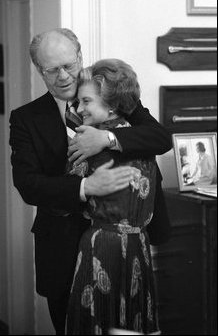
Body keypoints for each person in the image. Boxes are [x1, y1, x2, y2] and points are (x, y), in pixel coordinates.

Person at [9, 28, 171, 335]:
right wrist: (86, 188)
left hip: (126, 246)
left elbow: (160, 138)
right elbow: (28, 184)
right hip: (63, 247)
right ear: (39, 70)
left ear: (80, 56)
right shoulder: (25, 118)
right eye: (51, 70)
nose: (63, 76)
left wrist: (107, 138)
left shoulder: (111, 93)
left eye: (69, 65)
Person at [65, 60, 160, 335]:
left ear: (111, 105)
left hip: (103, 246)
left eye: (86, 101)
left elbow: (67, 190)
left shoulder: (86, 141)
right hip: (136, 245)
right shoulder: (140, 135)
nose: (79, 109)